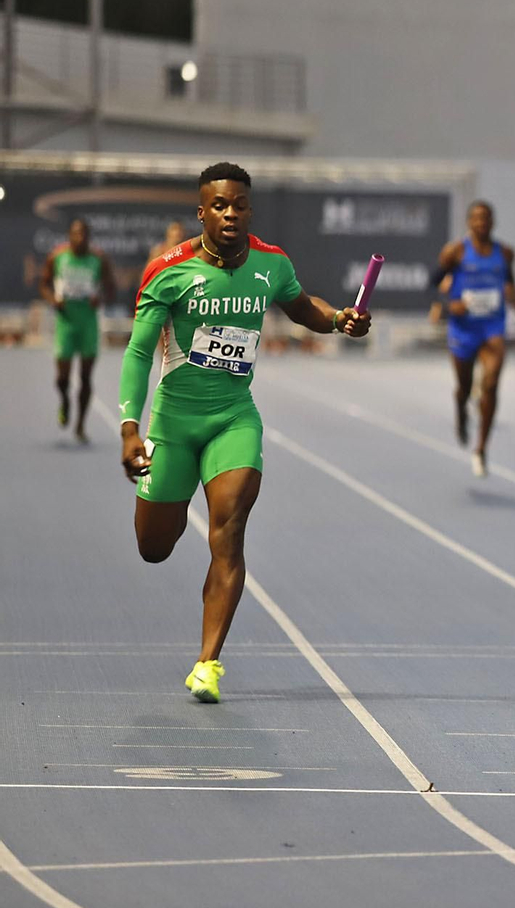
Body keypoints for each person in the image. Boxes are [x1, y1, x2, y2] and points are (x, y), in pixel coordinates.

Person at [118, 162, 372, 702]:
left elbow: (303, 309)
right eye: (219, 205)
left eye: (239, 205)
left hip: (234, 417)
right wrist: (129, 427)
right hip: (173, 424)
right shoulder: (169, 269)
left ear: (248, 209)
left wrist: (338, 320)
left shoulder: (271, 263)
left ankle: (208, 664)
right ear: (202, 211)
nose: (230, 213)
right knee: (153, 547)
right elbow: (139, 351)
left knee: (228, 531)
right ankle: (167, 517)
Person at [428, 200, 515, 477]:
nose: (482, 223)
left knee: (492, 384)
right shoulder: (455, 251)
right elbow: (432, 284)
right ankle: (461, 408)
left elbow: (510, 283)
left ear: (493, 222)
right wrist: (448, 306)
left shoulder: (505, 253)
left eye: (486, 218)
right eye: (477, 219)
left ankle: (481, 447)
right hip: (463, 328)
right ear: (469, 222)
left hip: (492, 326)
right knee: (465, 385)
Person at [39, 217, 117, 442]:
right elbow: (43, 284)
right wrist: (53, 299)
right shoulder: (57, 256)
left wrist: (99, 297)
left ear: (88, 237)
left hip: (88, 324)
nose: (80, 238)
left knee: (85, 376)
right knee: (62, 378)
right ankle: (64, 400)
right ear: (69, 236)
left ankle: (80, 425)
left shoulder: (99, 259)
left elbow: (111, 288)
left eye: (84, 234)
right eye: (76, 234)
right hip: (65, 321)